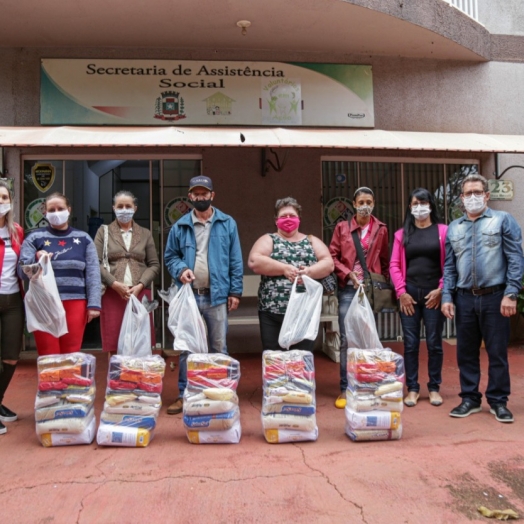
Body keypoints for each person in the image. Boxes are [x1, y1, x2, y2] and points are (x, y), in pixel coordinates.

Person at [442, 174, 524, 423]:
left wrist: (511, 294)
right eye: (468, 193)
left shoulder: (502, 220)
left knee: (497, 352)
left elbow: (516, 258)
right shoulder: (454, 227)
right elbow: (449, 267)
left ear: (487, 196)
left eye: (478, 192)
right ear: (461, 198)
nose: (473, 197)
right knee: (465, 352)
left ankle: (498, 401)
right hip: (464, 298)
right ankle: (470, 398)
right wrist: (447, 295)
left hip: (495, 297)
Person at [164, 176, 243, 415]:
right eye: (196, 194)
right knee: (188, 348)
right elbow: (170, 257)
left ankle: (222, 392)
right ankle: (184, 394)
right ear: (190, 197)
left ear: (212, 195)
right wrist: (181, 270)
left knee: (219, 346)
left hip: (217, 296)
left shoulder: (227, 223)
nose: (200, 197)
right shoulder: (180, 226)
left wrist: (235, 291)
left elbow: (235, 260)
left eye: (204, 193)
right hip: (190, 296)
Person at [329, 187, 390, 409]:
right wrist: (348, 274)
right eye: (361, 201)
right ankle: (345, 387)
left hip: (370, 291)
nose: (365, 205)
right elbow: (332, 257)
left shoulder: (381, 229)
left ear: (374, 203)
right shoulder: (342, 227)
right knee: (347, 339)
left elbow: (384, 260)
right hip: (348, 289)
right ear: (354, 204)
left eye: (369, 201)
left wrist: (382, 284)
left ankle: (367, 384)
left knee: (368, 337)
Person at [19, 192, 101, 355]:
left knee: (71, 353)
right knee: (48, 353)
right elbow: (22, 272)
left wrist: (94, 304)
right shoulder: (34, 238)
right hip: (43, 303)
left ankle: (70, 382)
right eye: (52, 209)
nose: (56, 212)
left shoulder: (84, 239)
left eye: (60, 208)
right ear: (45, 213)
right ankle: (49, 382)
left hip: (75, 304)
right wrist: (37, 258)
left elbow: (93, 273)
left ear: (69, 210)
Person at [248, 197, 334, 350]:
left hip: (304, 312)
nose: (288, 219)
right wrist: (284, 269)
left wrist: (309, 271)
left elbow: (328, 263)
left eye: (292, 216)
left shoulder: (311, 240)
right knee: (273, 359)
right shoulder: (269, 239)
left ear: (299, 219)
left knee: (301, 359)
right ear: (276, 220)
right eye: (283, 216)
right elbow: (254, 261)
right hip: (272, 311)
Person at [390, 188, 448, 408]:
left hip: (435, 295)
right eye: (415, 203)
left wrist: (442, 289)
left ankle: (434, 388)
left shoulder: (443, 231)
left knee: (434, 343)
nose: (419, 207)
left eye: (423, 203)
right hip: (410, 296)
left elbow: (450, 264)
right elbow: (394, 265)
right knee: (411, 344)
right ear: (409, 207)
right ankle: (412, 388)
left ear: (431, 205)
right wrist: (401, 293)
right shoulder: (402, 234)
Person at [94, 190, 160, 356]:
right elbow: (95, 262)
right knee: (115, 342)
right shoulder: (104, 232)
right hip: (113, 293)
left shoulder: (145, 233)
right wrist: (114, 283)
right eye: (120, 206)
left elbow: (154, 264)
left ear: (135, 208)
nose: (124, 209)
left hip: (140, 293)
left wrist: (140, 285)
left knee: (140, 341)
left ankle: (138, 379)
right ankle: (117, 380)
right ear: (113, 208)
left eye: (128, 206)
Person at [0, 182, 24, 435]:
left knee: (11, 355)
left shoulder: (16, 231)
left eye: (4, 197)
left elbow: (22, 261)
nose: (1, 202)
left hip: (13, 299)